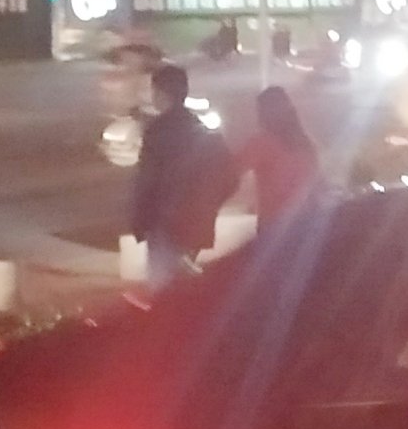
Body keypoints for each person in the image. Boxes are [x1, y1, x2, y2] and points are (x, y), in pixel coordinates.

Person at [129, 64, 234, 283]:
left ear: (161, 93)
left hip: (165, 226)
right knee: (186, 287)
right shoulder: (202, 130)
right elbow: (229, 176)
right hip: (195, 226)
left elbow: (147, 181)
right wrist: (209, 207)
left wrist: (139, 222)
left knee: (163, 289)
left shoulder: (157, 132)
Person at [235, 86, 321, 225]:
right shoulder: (307, 143)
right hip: (306, 222)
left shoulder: (262, 142)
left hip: (274, 223)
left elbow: (233, 170)